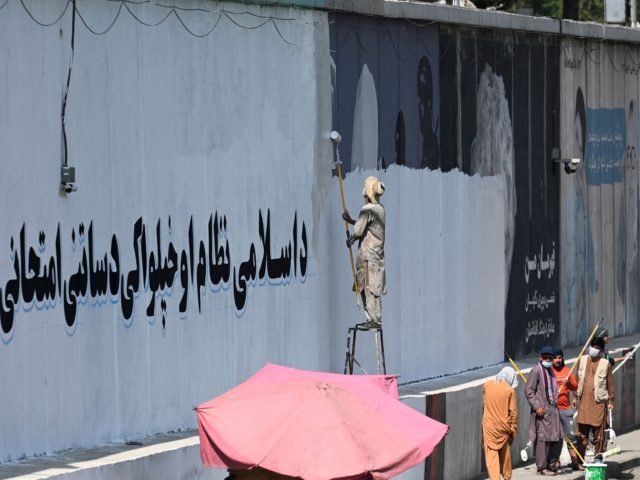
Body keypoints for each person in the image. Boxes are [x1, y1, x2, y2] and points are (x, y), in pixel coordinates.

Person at [343, 176, 386, 327]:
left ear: (367, 194)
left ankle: (373, 320)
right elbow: (368, 227)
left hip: (368, 258)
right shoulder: (380, 210)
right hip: (377, 259)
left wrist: (352, 238)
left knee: (367, 288)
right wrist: (351, 220)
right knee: (374, 289)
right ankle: (374, 319)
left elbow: (359, 230)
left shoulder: (367, 210)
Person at [575, 336, 615, 459]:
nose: (594, 350)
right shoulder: (581, 360)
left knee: (598, 434)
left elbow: (610, 385)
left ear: (602, 351)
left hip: (598, 404)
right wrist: (574, 398)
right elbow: (577, 381)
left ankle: (598, 459)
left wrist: (610, 401)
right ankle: (580, 461)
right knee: (581, 434)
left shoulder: (605, 364)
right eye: (592, 347)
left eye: (597, 348)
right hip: (583, 403)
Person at [525, 345, 562, 476]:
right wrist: (536, 406)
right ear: (541, 357)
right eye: (545, 358)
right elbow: (529, 391)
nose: (547, 360)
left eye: (549, 358)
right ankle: (542, 467)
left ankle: (552, 465)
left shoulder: (551, 370)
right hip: (542, 410)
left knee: (558, 438)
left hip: (553, 408)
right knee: (543, 440)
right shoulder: (536, 370)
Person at [482, 366, 519, 480]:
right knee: (505, 455)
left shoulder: (487, 385)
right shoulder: (510, 390)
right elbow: (513, 413)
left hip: (489, 427)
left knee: (491, 457)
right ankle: (507, 476)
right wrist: (513, 430)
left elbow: (484, 405)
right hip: (503, 428)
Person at [551, 348, 581, 471]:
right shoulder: (548, 372)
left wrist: (568, 383)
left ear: (562, 358)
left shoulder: (567, 371)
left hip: (565, 409)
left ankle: (575, 462)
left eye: (560, 357)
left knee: (571, 437)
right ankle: (555, 463)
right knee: (555, 438)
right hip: (552, 409)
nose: (558, 360)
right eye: (555, 358)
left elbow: (575, 387)